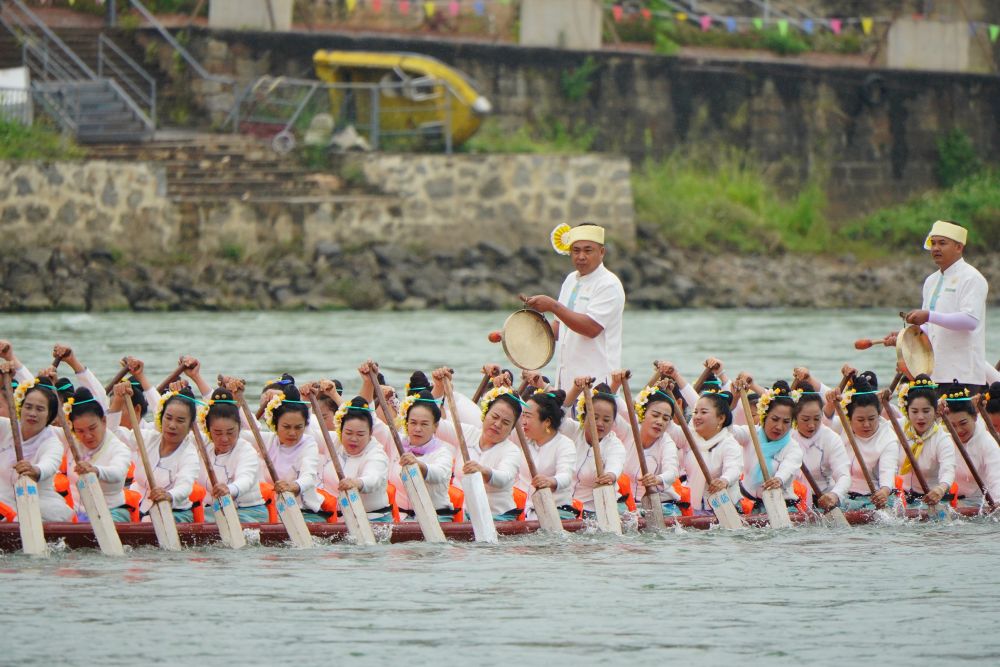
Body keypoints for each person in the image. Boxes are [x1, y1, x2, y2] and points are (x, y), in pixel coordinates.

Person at [891, 220, 989, 395]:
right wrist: (903, 338)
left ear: (959, 247)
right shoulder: (931, 281)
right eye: (933, 243)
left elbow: (970, 321)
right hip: (934, 373)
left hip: (963, 374)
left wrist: (929, 315)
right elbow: (930, 328)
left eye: (942, 243)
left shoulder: (972, 278)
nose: (935, 248)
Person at [523, 223, 625, 389]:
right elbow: (559, 327)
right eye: (576, 251)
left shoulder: (608, 284)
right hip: (566, 380)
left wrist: (552, 305)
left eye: (588, 250)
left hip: (598, 382)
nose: (581, 256)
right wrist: (522, 333)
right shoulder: (571, 280)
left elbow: (591, 328)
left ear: (602, 252)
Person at [434, 367, 523, 521]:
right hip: (462, 515)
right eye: (494, 417)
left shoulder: (511, 451)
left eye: (505, 422)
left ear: (511, 429)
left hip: (497, 518)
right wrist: (438, 389)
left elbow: (505, 478)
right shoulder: (467, 433)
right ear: (484, 415)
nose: (497, 424)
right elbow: (433, 425)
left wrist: (483, 471)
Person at [0, 369, 74, 521]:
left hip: (39, 502)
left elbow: (49, 464)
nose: (32, 413)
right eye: (28, 407)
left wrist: (35, 470)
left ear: (50, 415)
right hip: (3, 498)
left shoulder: (52, 442)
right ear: (20, 408)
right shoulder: (6, 427)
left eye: (40, 409)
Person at [125, 385, 201, 523]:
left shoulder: (189, 455)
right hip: (138, 506)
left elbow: (185, 486)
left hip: (174, 512)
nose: (172, 425)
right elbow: (113, 432)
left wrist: (169, 495)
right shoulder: (148, 438)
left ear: (190, 426)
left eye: (180, 421)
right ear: (161, 418)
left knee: (148, 521)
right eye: (168, 418)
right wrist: (118, 401)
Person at [614, 373, 682, 516]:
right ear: (643, 414)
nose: (660, 422)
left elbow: (672, 472)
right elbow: (609, 411)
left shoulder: (667, 443)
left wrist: (657, 479)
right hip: (626, 503)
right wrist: (615, 383)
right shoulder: (628, 431)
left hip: (662, 504)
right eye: (655, 415)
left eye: (665, 419)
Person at [386, 384, 456, 522]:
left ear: (435, 426)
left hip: (436, 518)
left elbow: (438, 474)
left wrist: (418, 465)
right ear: (406, 423)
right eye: (413, 423)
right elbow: (369, 425)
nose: (417, 429)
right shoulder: (396, 442)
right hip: (401, 518)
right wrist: (369, 385)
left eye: (424, 424)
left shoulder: (443, 452)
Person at [826, 376, 898, 510]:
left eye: (872, 419)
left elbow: (888, 472)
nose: (866, 424)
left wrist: (884, 491)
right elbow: (823, 423)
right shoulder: (843, 425)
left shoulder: (888, 438)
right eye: (860, 420)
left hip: (872, 499)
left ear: (878, 415)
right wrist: (830, 403)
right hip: (839, 495)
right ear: (849, 418)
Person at [317, 392, 391, 523]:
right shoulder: (333, 441)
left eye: (360, 434)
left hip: (372, 520)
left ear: (370, 433)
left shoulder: (376, 454)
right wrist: (304, 399)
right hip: (335, 518)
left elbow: (373, 478)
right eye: (348, 433)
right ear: (341, 430)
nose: (353, 439)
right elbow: (304, 433)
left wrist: (357, 483)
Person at [259, 383, 327, 522]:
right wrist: (235, 399)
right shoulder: (266, 440)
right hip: (272, 510)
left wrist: (293, 486)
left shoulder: (309, 444)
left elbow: (309, 476)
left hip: (305, 512)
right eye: (286, 427)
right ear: (275, 424)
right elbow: (234, 433)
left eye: (298, 427)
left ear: (305, 425)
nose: (292, 433)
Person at [198, 387, 267, 523]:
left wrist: (229, 489)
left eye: (230, 432)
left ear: (239, 428)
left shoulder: (246, 450)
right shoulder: (202, 444)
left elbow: (245, 479)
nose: (224, 439)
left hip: (248, 512)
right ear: (208, 430)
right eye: (217, 433)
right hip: (212, 510)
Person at [560, 378, 627, 517]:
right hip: (567, 507)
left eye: (606, 420)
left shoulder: (615, 445)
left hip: (597, 510)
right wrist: (576, 389)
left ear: (613, 422)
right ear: (584, 416)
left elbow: (615, 466)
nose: (600, 423)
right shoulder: (573, 430)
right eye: (595, 417)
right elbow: (557, 417)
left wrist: (609, 476)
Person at [65, 387, 132, 523]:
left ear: (104, 421)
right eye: (80, 431)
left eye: (92, 428)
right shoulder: (71, 441)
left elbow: (118, 472)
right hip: (76, 512)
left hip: (112, 511)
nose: (87, 436)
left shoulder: (119, 448)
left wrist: (96, 471)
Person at [736, 381, 803, 514]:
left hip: (780, 505)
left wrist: (778, 479)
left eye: (786, 422)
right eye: (775, 419)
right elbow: (727, 431)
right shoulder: (751, 433)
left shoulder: (793, 448)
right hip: (746, 503)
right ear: (764, 416)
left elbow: (788, 468)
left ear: (792, 423)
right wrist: (734, 398)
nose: (779, 427)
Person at [677, 389, 742, 515]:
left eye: (703, 412)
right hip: (692, 507)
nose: (697, 416)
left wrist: (724, 480)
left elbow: (734, 467)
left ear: (721, 418)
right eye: (695, 412)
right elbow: (668, 428)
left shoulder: (729, 443)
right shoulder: (689, 437)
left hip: (723, 508)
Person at [894, 376, 955, 509]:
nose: (920, 417)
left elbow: (948, 470)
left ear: (936, 411)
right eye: (914, 411)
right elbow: (875, 426)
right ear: (907, 411)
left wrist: (941, 488)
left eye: (926, 411)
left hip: (932, 499)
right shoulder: (897, 427)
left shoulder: (943, 439)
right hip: (900, 498)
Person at [516, 389, 577, 520]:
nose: (523, 422)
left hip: (556, 512)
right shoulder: (524, 438)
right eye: (523, 416)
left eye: (528, 416)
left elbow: (566, 475)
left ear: (547, 422)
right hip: (523, 511)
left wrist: (551, 481)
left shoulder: (564, 444)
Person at [792, 383, 850, 511]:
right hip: (792, 500)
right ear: (795, 417)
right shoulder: (786, 437)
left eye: (817, 418)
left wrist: (834, 495)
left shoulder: (831, 439)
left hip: (824, 500)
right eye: (805, 419)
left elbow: (844, 475)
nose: (811, 425)